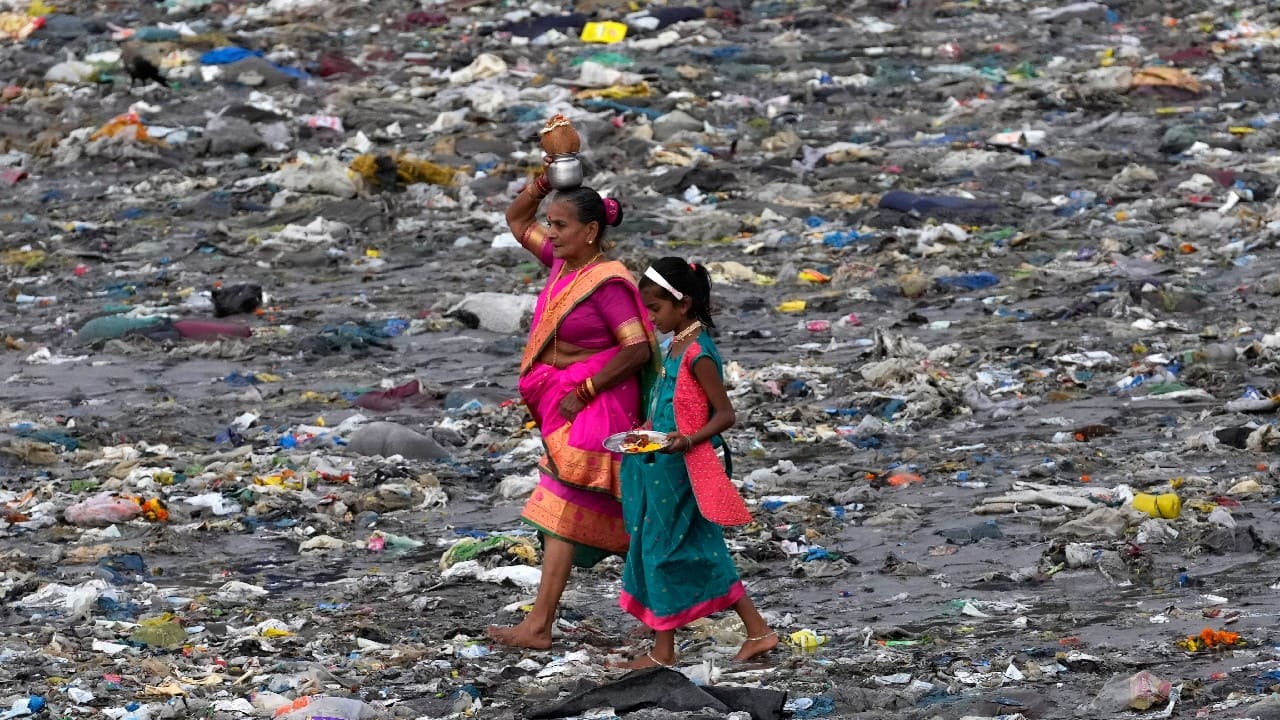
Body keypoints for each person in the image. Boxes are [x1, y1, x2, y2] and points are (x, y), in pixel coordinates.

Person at [487, 171, 655, 650]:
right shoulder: (562, 265)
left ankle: (542, 626)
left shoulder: (609, 283)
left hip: (599, 404)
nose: (552, 233)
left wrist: (582, 391)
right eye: (552, 225)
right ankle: (669, 619)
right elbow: (517, 219)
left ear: (591, 232)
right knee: (612, 513)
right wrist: (543, 180)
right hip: (570, 401)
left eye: (561, 225)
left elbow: (637, 349)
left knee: (575, 502)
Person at [614, 257, 776, 668]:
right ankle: (758, 631)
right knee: (696, 548)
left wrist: (686, 439)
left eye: (655, 309)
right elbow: (669, 402)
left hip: (684, 468)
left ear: (682, 304)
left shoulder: (699, 353)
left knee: (661, 551)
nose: (650, 319)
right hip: (662, 463)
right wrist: (648, 429)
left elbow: (725, 415)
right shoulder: (676, 346)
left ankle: (664, 651)